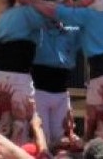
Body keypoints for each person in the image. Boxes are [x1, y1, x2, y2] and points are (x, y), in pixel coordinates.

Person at [0, 0, 45, 140]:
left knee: (5, 120)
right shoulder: (29, 13)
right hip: (16, 76)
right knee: (21, 124)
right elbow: (53, 19)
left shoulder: (3, 15)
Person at [31, 18, 82, 147]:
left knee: (62, 141)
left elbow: (89, 23)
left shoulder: (71, 32)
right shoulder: (37, 30)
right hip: (40, 92)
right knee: (43, 139)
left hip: (61, 94)